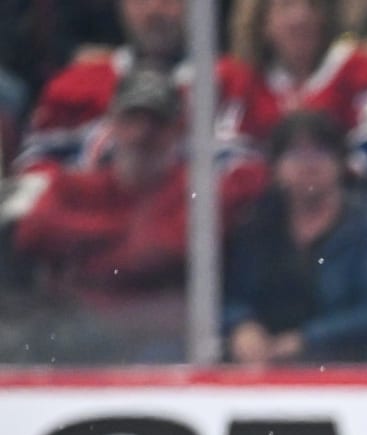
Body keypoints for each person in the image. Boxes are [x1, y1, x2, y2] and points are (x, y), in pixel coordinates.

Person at [10, 67, 266, 363]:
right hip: (81, 329)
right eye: (131, 119)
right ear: (112, 125)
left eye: (156, 123)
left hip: (162, 342)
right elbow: (31, 233)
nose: (141, 134)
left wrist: (84, 245)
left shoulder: (196, 191)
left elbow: (160, 248)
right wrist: (126, 232)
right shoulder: (75, 185)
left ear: (175, 130)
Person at [223, 110, 367, 366]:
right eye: (295, 154)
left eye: (321, 152)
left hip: (350, 363)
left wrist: (306, 340)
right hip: (264, 364)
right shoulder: (256, 226)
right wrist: (242, 324)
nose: (309, 164)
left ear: (341, 163)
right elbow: (230, 295)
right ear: (276, 168)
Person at [15, 0, 263, 172]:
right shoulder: (73, 85)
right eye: (142, 0)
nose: (154, 10)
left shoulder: (232, 82)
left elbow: (251, 174)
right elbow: (36, 172)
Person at [229, 0, 367, 181]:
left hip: (352, 194)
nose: (301, 17)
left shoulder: (359, 69)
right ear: (263, 23)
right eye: (286, 6)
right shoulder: (246, 82)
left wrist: (339, 176)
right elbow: (230, 151)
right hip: (268, 200)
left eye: (312, 4)